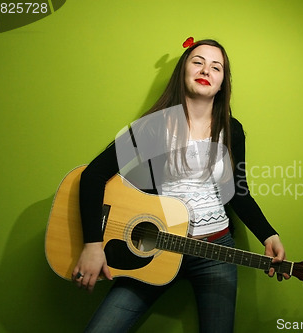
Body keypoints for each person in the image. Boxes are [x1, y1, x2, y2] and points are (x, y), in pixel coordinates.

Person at [72, 38, 288, 332]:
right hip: (157, 248)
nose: (206, 70)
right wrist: (93, 245)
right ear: (183, 70)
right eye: (197, 61)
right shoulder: (152, 127)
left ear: (223, 82)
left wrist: (268, 234)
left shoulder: (232, 130)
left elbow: (238, 190)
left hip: (216, 251)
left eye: (216, 67)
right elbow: (94, 175)